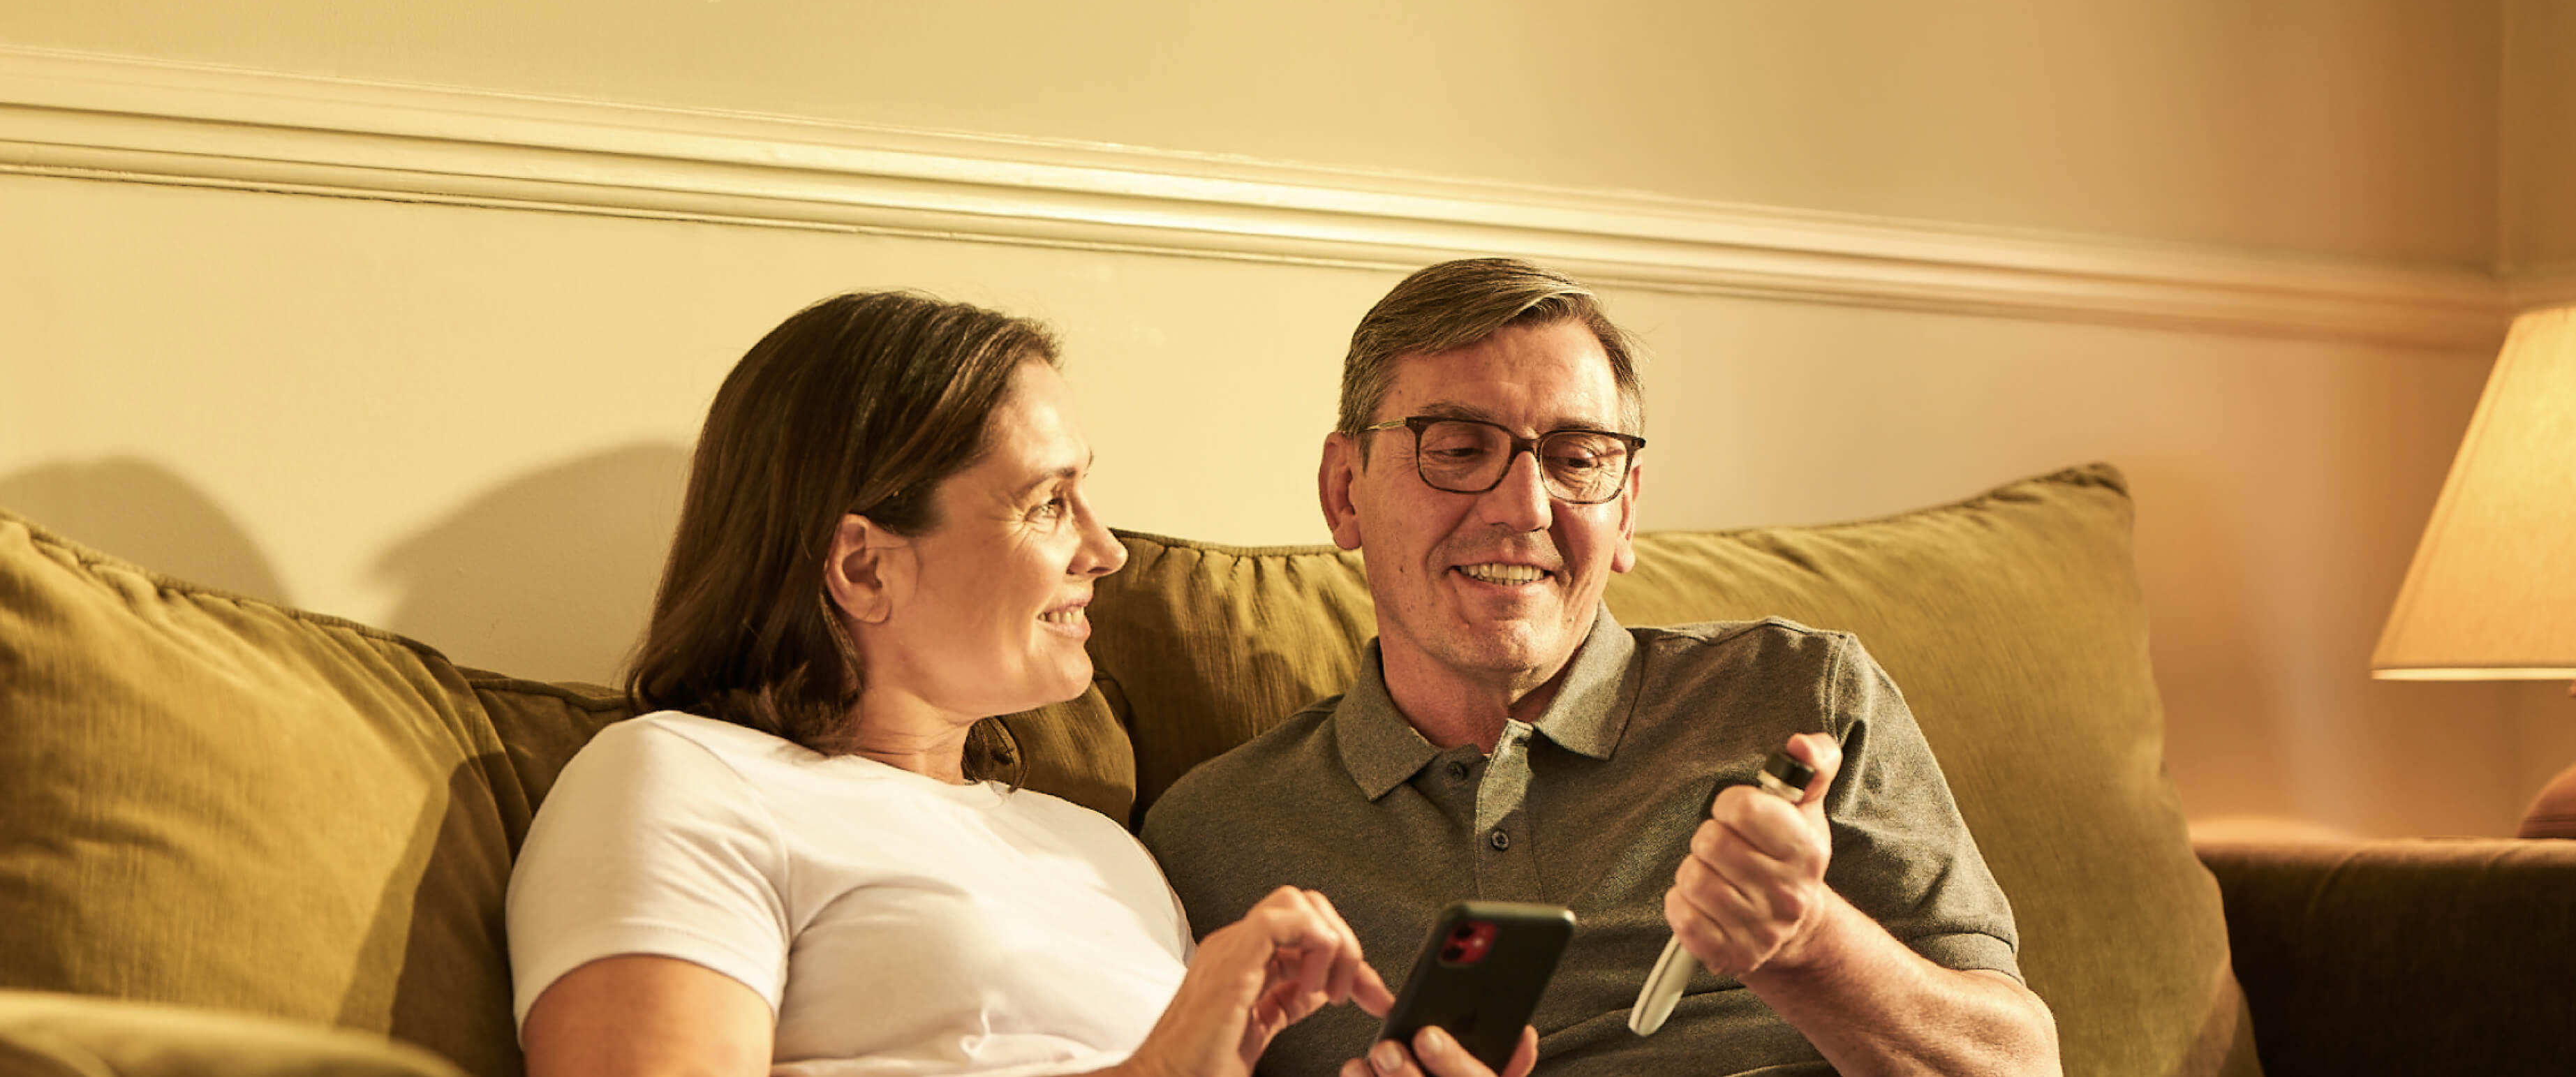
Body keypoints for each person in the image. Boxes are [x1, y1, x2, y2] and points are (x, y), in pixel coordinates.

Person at [506, 291, 1486, 1077]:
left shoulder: (1100, 851)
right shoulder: (682, 779)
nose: (1104, 550)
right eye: (1048, 503)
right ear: (864, 567)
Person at [1141, 259, 2061, 1077]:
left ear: (1625, 511)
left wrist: (1805, 941)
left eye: (1577, 460)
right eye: (1459, 450)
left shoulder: (1800, 692)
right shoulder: (1214, 839)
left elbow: (2021, 1066)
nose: (1524, 507)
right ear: (1344, 491)